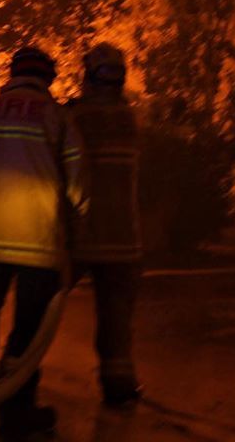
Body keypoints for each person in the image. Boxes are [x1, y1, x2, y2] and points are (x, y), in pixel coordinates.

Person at [0, 46, 85, 439]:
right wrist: (82, 222)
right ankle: (17, 412)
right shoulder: (57, 117)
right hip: (36, 243)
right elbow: (78, 182)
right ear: (48, 78)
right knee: (27, 328)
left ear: (13, 74)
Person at [67, 43, 144, 406]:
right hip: (124, 240)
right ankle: (119, 389)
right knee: (116, 320)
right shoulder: (130, 118)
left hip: (79, 235)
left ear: (88, 74)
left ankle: (17, 377)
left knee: (41, 305)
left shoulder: (77, 118)